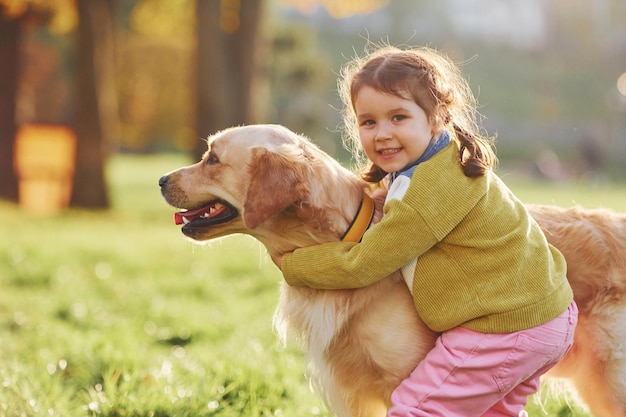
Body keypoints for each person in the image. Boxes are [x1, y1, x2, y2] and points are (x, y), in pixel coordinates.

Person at [271, 45, 578, 417]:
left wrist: (294, 264)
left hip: (503, 330)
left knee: (417, 408)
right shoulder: (437, 164)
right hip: (541, 319)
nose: (381, 133)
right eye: (368, 122)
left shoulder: (430, 190)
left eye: (398, 117)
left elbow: (364, 264)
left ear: (437, 116)